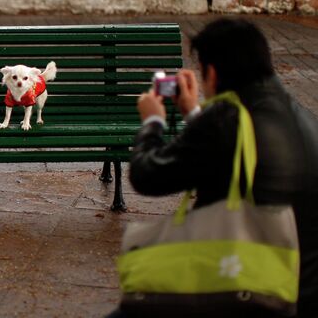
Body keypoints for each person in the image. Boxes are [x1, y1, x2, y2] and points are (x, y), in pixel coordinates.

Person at [109, 19, 318, 317]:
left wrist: (153, 121)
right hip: (301, 289)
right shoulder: (302, 116)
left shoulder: (225, 118)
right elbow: (228, 152)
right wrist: (194, 113)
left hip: (251, 288)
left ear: (213, 73)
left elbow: (147, 175)